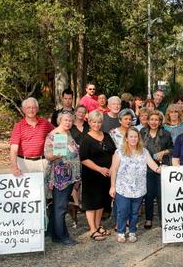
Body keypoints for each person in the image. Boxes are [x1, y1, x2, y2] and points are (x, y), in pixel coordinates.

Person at [110, 127, 162, 243]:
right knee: (123, 211)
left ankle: (132, 231)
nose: (133, 139)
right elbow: (114, 170)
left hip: (139, 189)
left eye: (135, 137)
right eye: (131, 136)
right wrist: (112, 186)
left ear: (139, 138)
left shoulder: (144, 151)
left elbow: (153, 166)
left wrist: (162, 170)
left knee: (134, 212)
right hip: (122, 188)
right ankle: (121, 232)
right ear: (127, 139)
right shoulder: (119, 152)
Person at [44, 111, 81, 246]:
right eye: (65, 120)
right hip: (61, 177)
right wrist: (58, 154)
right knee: (61, 207)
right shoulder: (57, 135)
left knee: (57, 206)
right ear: (60, 120)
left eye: (70, 121)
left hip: (69, 176)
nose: (68, 123)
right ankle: (61, 236)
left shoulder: (67, 133)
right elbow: (49, 155)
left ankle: (53, 232)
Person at [79, 110, 116, 241]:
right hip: (92, 175)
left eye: (99, 122)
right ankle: (93, 229)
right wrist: (99, 169)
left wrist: (112, 168)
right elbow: (83, 158)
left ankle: (98, 225)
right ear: (89, 122)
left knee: (101, 201)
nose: (96, 124)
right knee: (91, 203)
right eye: (94, 122)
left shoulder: (106, 135)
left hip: (106, 175)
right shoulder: (86, 139)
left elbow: (113, 153)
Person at [140, 110, 173, 229]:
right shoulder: (142, 132)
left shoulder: (166, 134)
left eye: (156, 120)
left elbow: (172, 148)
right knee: (148, 195)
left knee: (161, 194)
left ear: (160, 122)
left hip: (161, 168)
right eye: (152, 119)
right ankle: (148, 219)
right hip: (146, 168)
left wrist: (164, 152)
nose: (154, 122)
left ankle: (162, 219)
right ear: (148, 121)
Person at [9, 97, 54, 176]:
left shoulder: (45, 123)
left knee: (44, 188)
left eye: (33, 107)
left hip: (42, 162)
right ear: (23, 110)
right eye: (28, 107)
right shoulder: (18, 126)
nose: (31, 110)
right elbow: (13, 149)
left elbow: (58, 134)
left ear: (37, 109)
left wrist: (59, 153)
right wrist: (14, 167)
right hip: (24, 163)